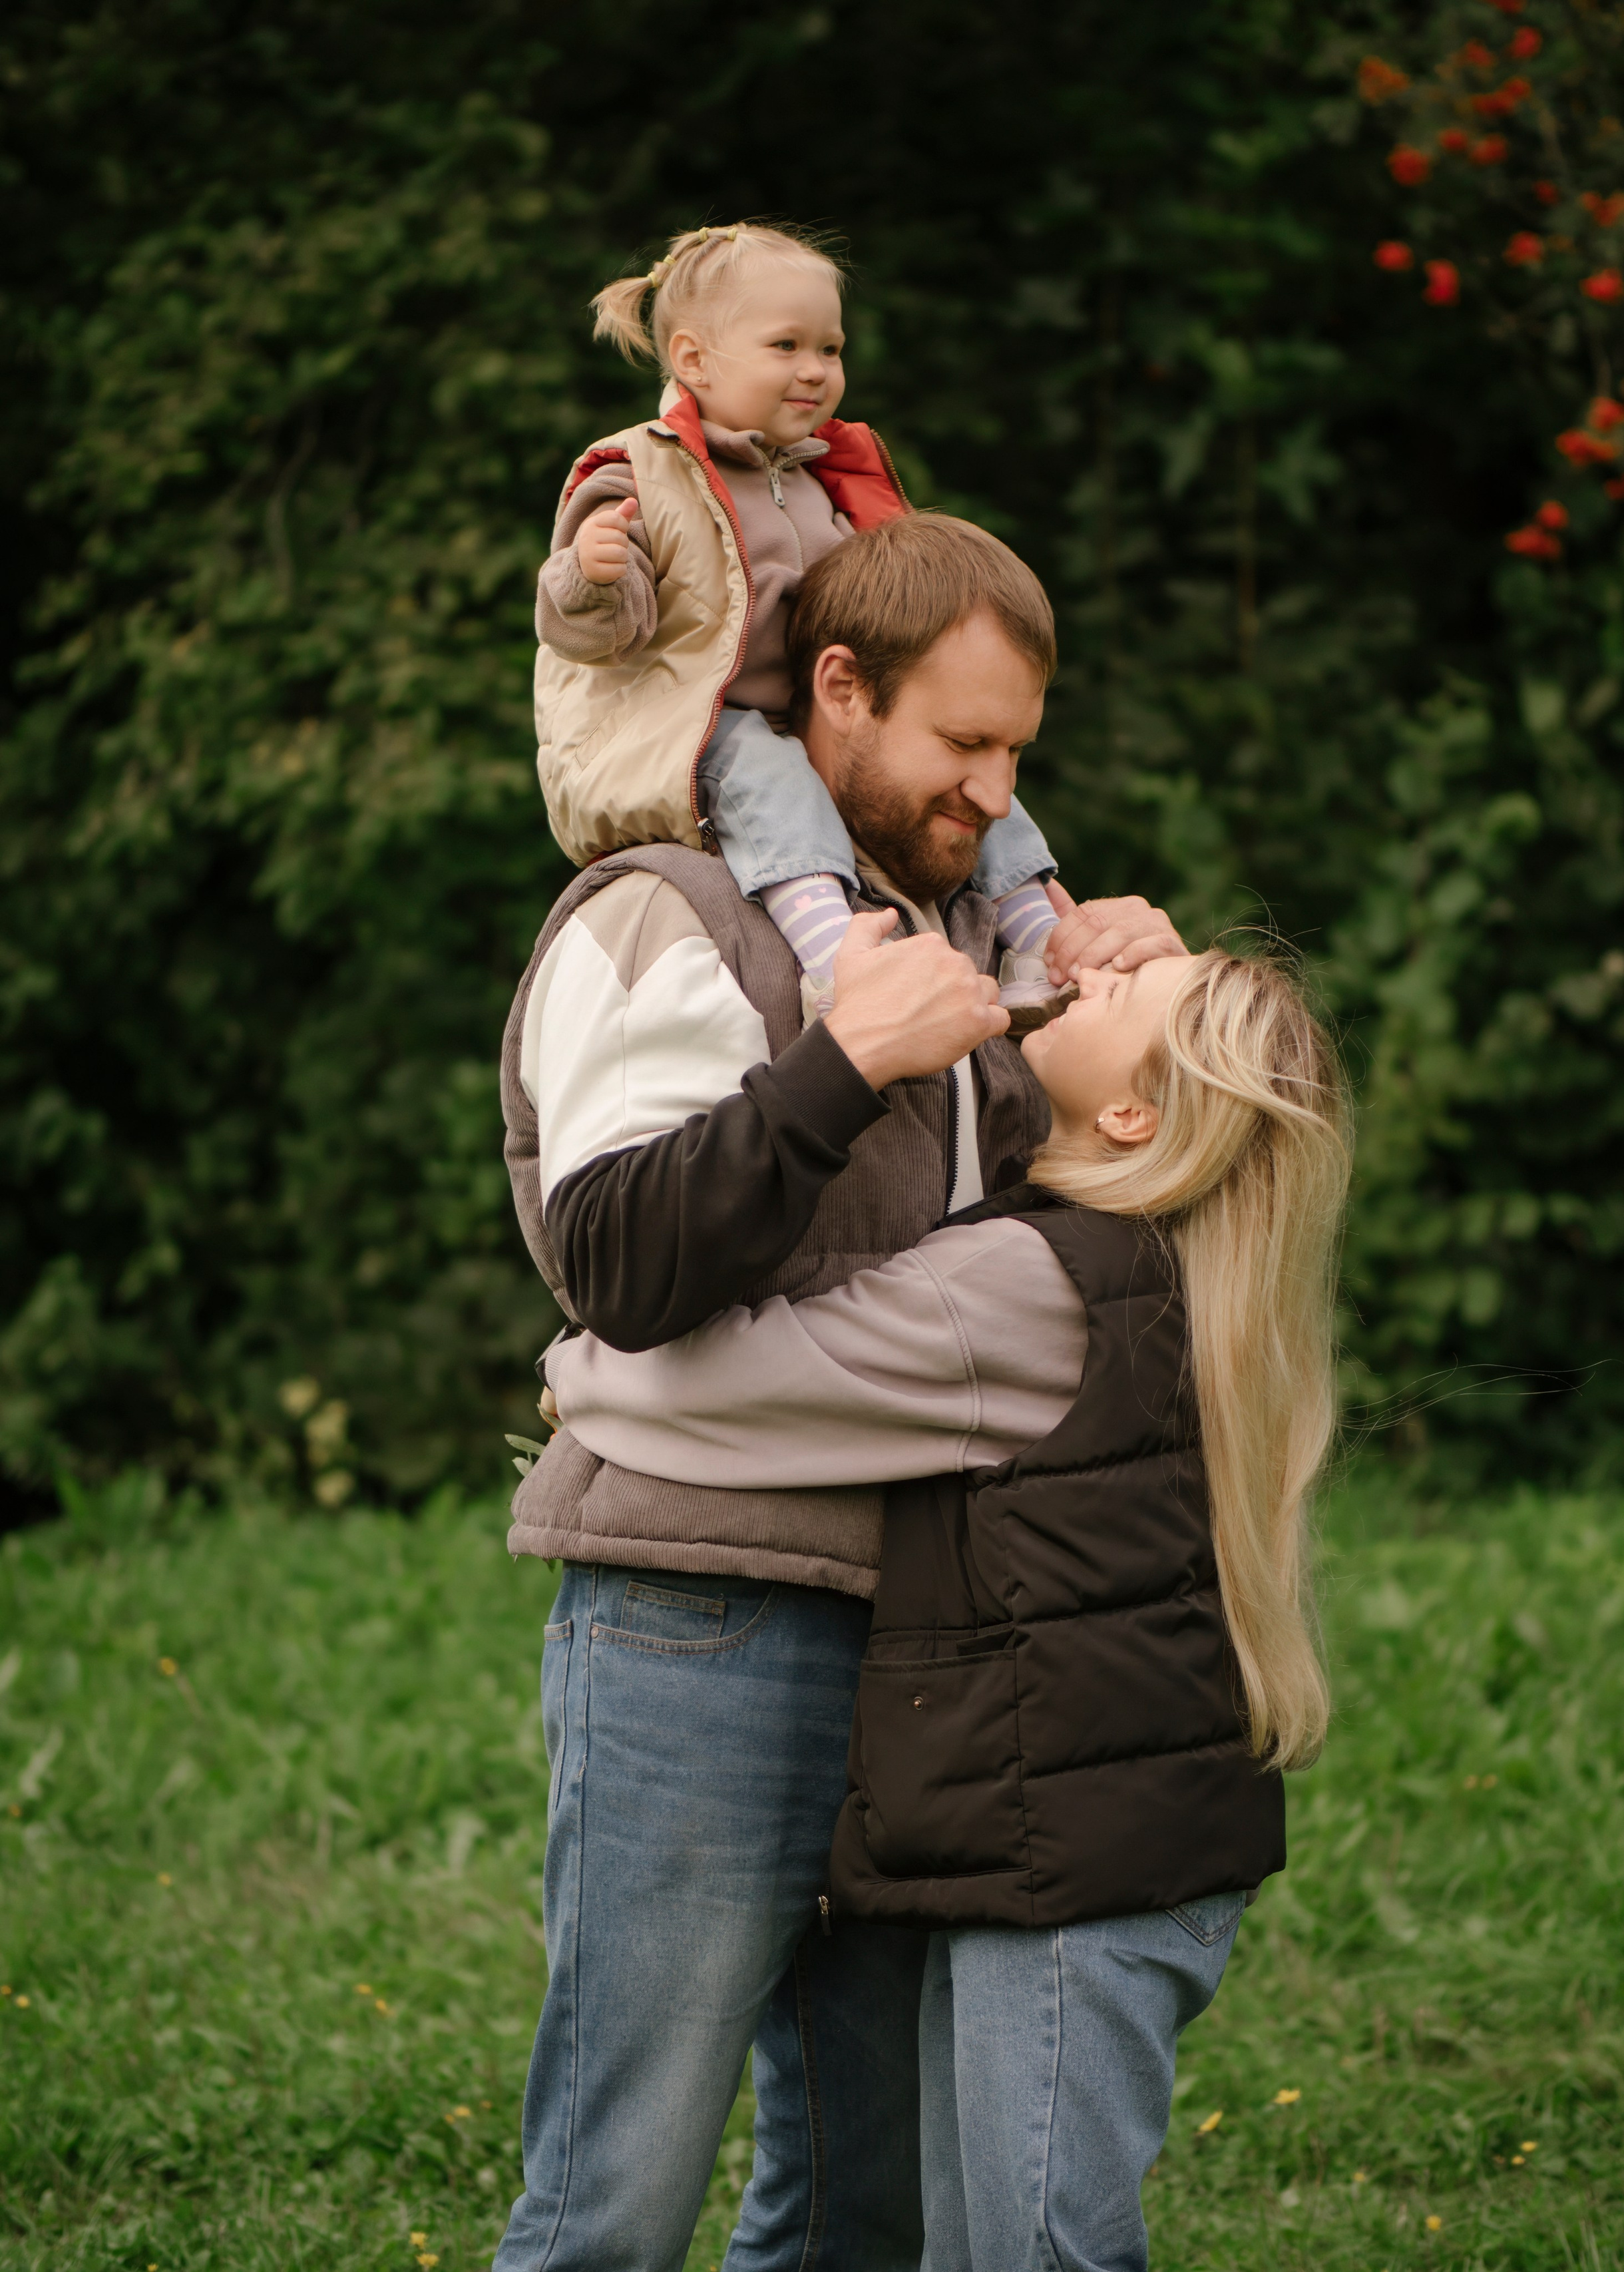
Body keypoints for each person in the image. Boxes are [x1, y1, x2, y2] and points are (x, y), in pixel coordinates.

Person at [495, 513, 1186, 2270]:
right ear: (836, 690)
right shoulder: (668, 912)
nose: (997, 786)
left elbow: (1054, 1246)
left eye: (1020, 747)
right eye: (962, 743)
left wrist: (1130, 1002)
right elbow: (618, 1266)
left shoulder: (966, 930)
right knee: (614, 2203)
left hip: (929, 1641)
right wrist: (839, 1058)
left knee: (856, 2209)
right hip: (696, 1620)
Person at [545, 941, 1352, 2272]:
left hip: (1070, 1867)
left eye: (1108, 995)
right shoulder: (1165, 1263)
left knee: (1036, 2249)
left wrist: (571, 1373)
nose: (1068, 983)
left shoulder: (1023, 1287)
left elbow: (718, 1386)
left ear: (1136, 1112)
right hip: (1116, 1844)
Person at [534, 218, 1094, 1023]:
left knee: (981, 781)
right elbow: (587, 635)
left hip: (808, 710)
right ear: (693, 359)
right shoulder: (640, 473)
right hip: (693, 719)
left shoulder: (818, 474)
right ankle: (835, 958)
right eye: (786, 346)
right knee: (770, 781)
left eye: (829, 350)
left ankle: (1039, 936)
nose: (815, 371)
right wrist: (593, 574)